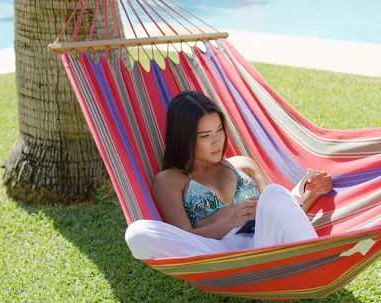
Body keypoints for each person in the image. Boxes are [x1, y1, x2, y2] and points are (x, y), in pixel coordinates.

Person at [125, 91, 333, 259]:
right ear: (184, 139)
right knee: (137, 233)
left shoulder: (244, 164)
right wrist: (231, 221)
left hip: (262, 244)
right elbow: (185, 237)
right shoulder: (170, 180)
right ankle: (309, 259)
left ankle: (313, 261)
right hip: (215, 254)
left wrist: (312, 192)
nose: (217, 141)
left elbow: (279, 213)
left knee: (274, 193)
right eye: (206, 136)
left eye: (220, 130)